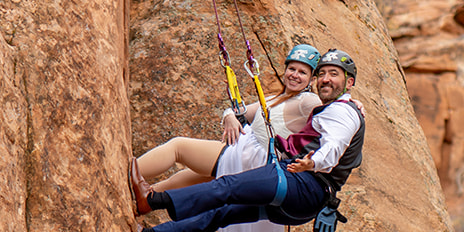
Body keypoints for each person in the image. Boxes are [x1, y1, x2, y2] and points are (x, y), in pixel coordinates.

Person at [139, 49, 364, 232]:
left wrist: (312, 162)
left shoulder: (338, 109)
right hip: (304, 200)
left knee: (226, 187)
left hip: (298, 181)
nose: (325, 79)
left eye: (333, 74)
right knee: (222, 213)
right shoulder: (333, 107)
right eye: (322, 74)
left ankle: (151, 200)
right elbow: (243, 112)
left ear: (349, 82)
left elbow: (333, 148)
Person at [128, 43, 321, 212]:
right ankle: (143, 203)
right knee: (192, 176)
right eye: (292, 69)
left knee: (178, 147)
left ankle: (126, 174)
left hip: (252, 157)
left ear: (312, 80)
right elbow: (240, 111)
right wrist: (229, 116)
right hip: (251, 160)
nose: (295, 75)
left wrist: (350, 103)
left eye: (302, 72)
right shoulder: (276, 98)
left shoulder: (307, 100)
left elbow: (330, 111)